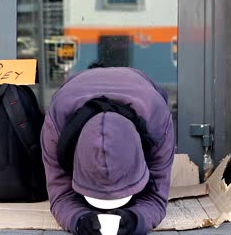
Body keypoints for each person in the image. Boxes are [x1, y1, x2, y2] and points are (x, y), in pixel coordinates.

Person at [41, 67, 175, 235]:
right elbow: (60, 193)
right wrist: (79, 220)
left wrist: (137, 220)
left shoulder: (157, 121)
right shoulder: (56, 124)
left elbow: (157, 193)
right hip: (74, 88)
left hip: (142, 87)